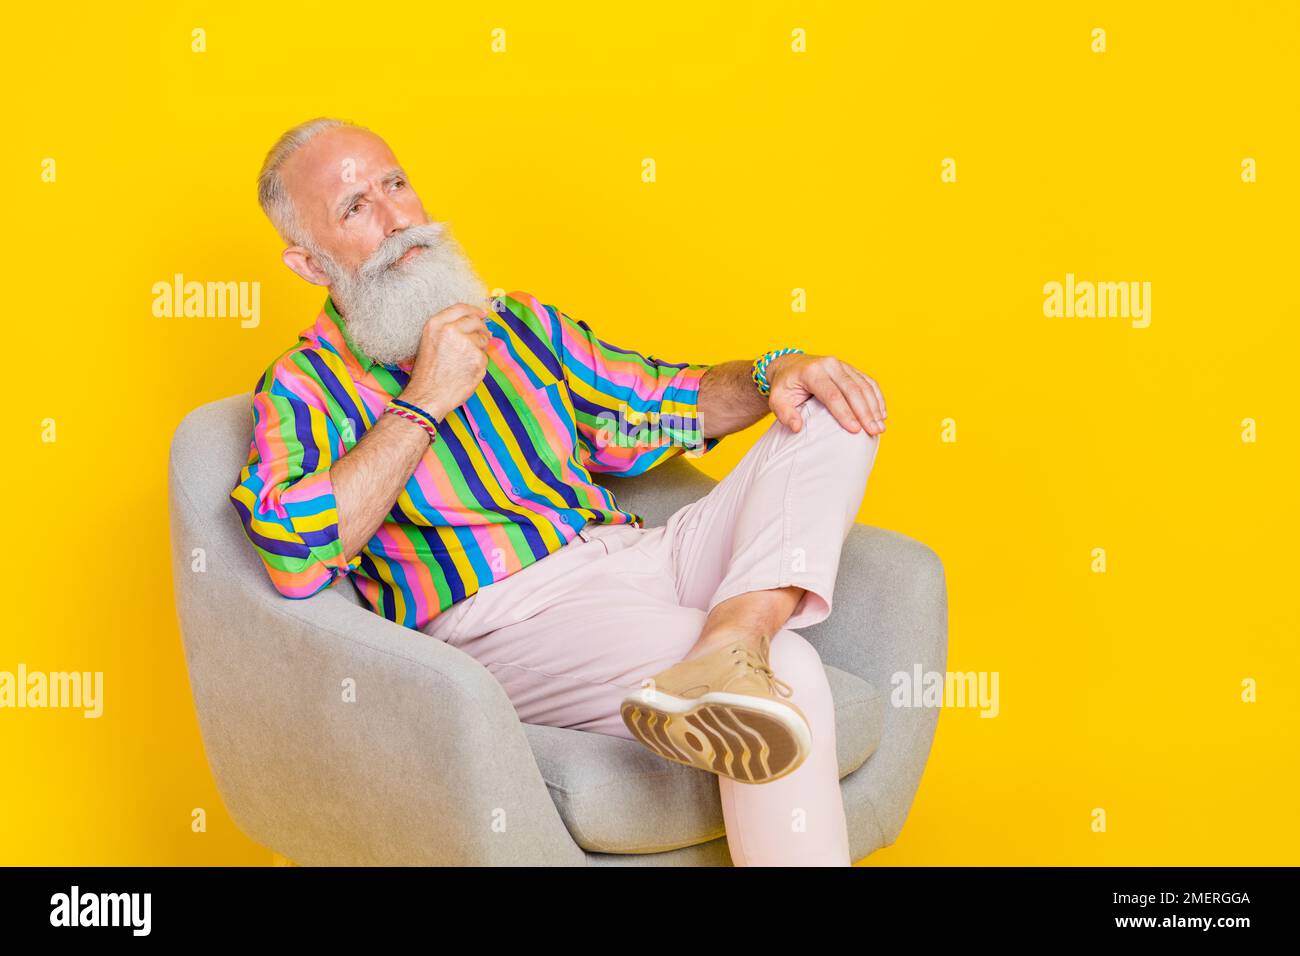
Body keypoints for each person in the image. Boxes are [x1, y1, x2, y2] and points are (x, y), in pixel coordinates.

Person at [231, 117, 886, 865]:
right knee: (790, 673)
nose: (396, 219)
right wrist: (424, 399)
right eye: (354, 208)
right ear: (308, 262)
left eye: (395, 184)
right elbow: (294, 555)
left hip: (640, 553)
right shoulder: (302, 384)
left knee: (834, 406)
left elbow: (660, 401)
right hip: (511, 619)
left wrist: (776, 371)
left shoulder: (519, 323)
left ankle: (733, 636)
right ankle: (742, 650)